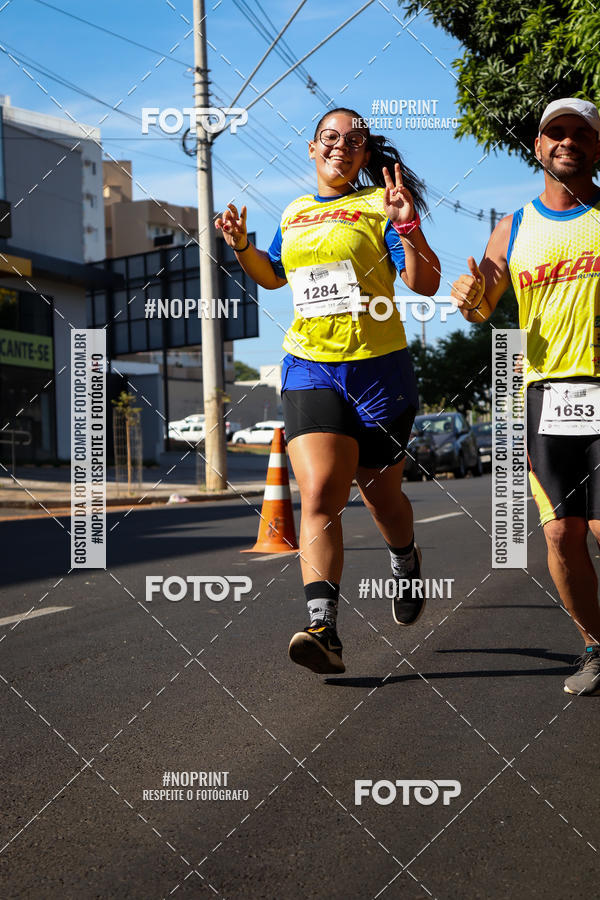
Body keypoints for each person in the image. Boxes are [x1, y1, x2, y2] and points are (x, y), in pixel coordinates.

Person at [216, 107, 440, 674]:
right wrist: (243, 246)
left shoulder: (377, 206)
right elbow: (272, 276)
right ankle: (324, 628)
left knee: (381, 498)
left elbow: (425, 282)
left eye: (355, 140)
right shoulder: (292, 214)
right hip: (310, 367)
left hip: (379, 371)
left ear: (365, 155)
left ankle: (405, 557)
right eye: (330, 137)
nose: (341, 145)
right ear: (313, 150)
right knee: (317, 495)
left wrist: (407, 227)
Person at [451, 97, 600, 695]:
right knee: (561, 533)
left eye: (580, 134)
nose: (566, 142)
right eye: (554, 133)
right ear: (537, 147)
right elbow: (484, 301)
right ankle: (595, 646)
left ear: (597, 148)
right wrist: (471, 295)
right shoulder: (513, 227)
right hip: (542, 397)